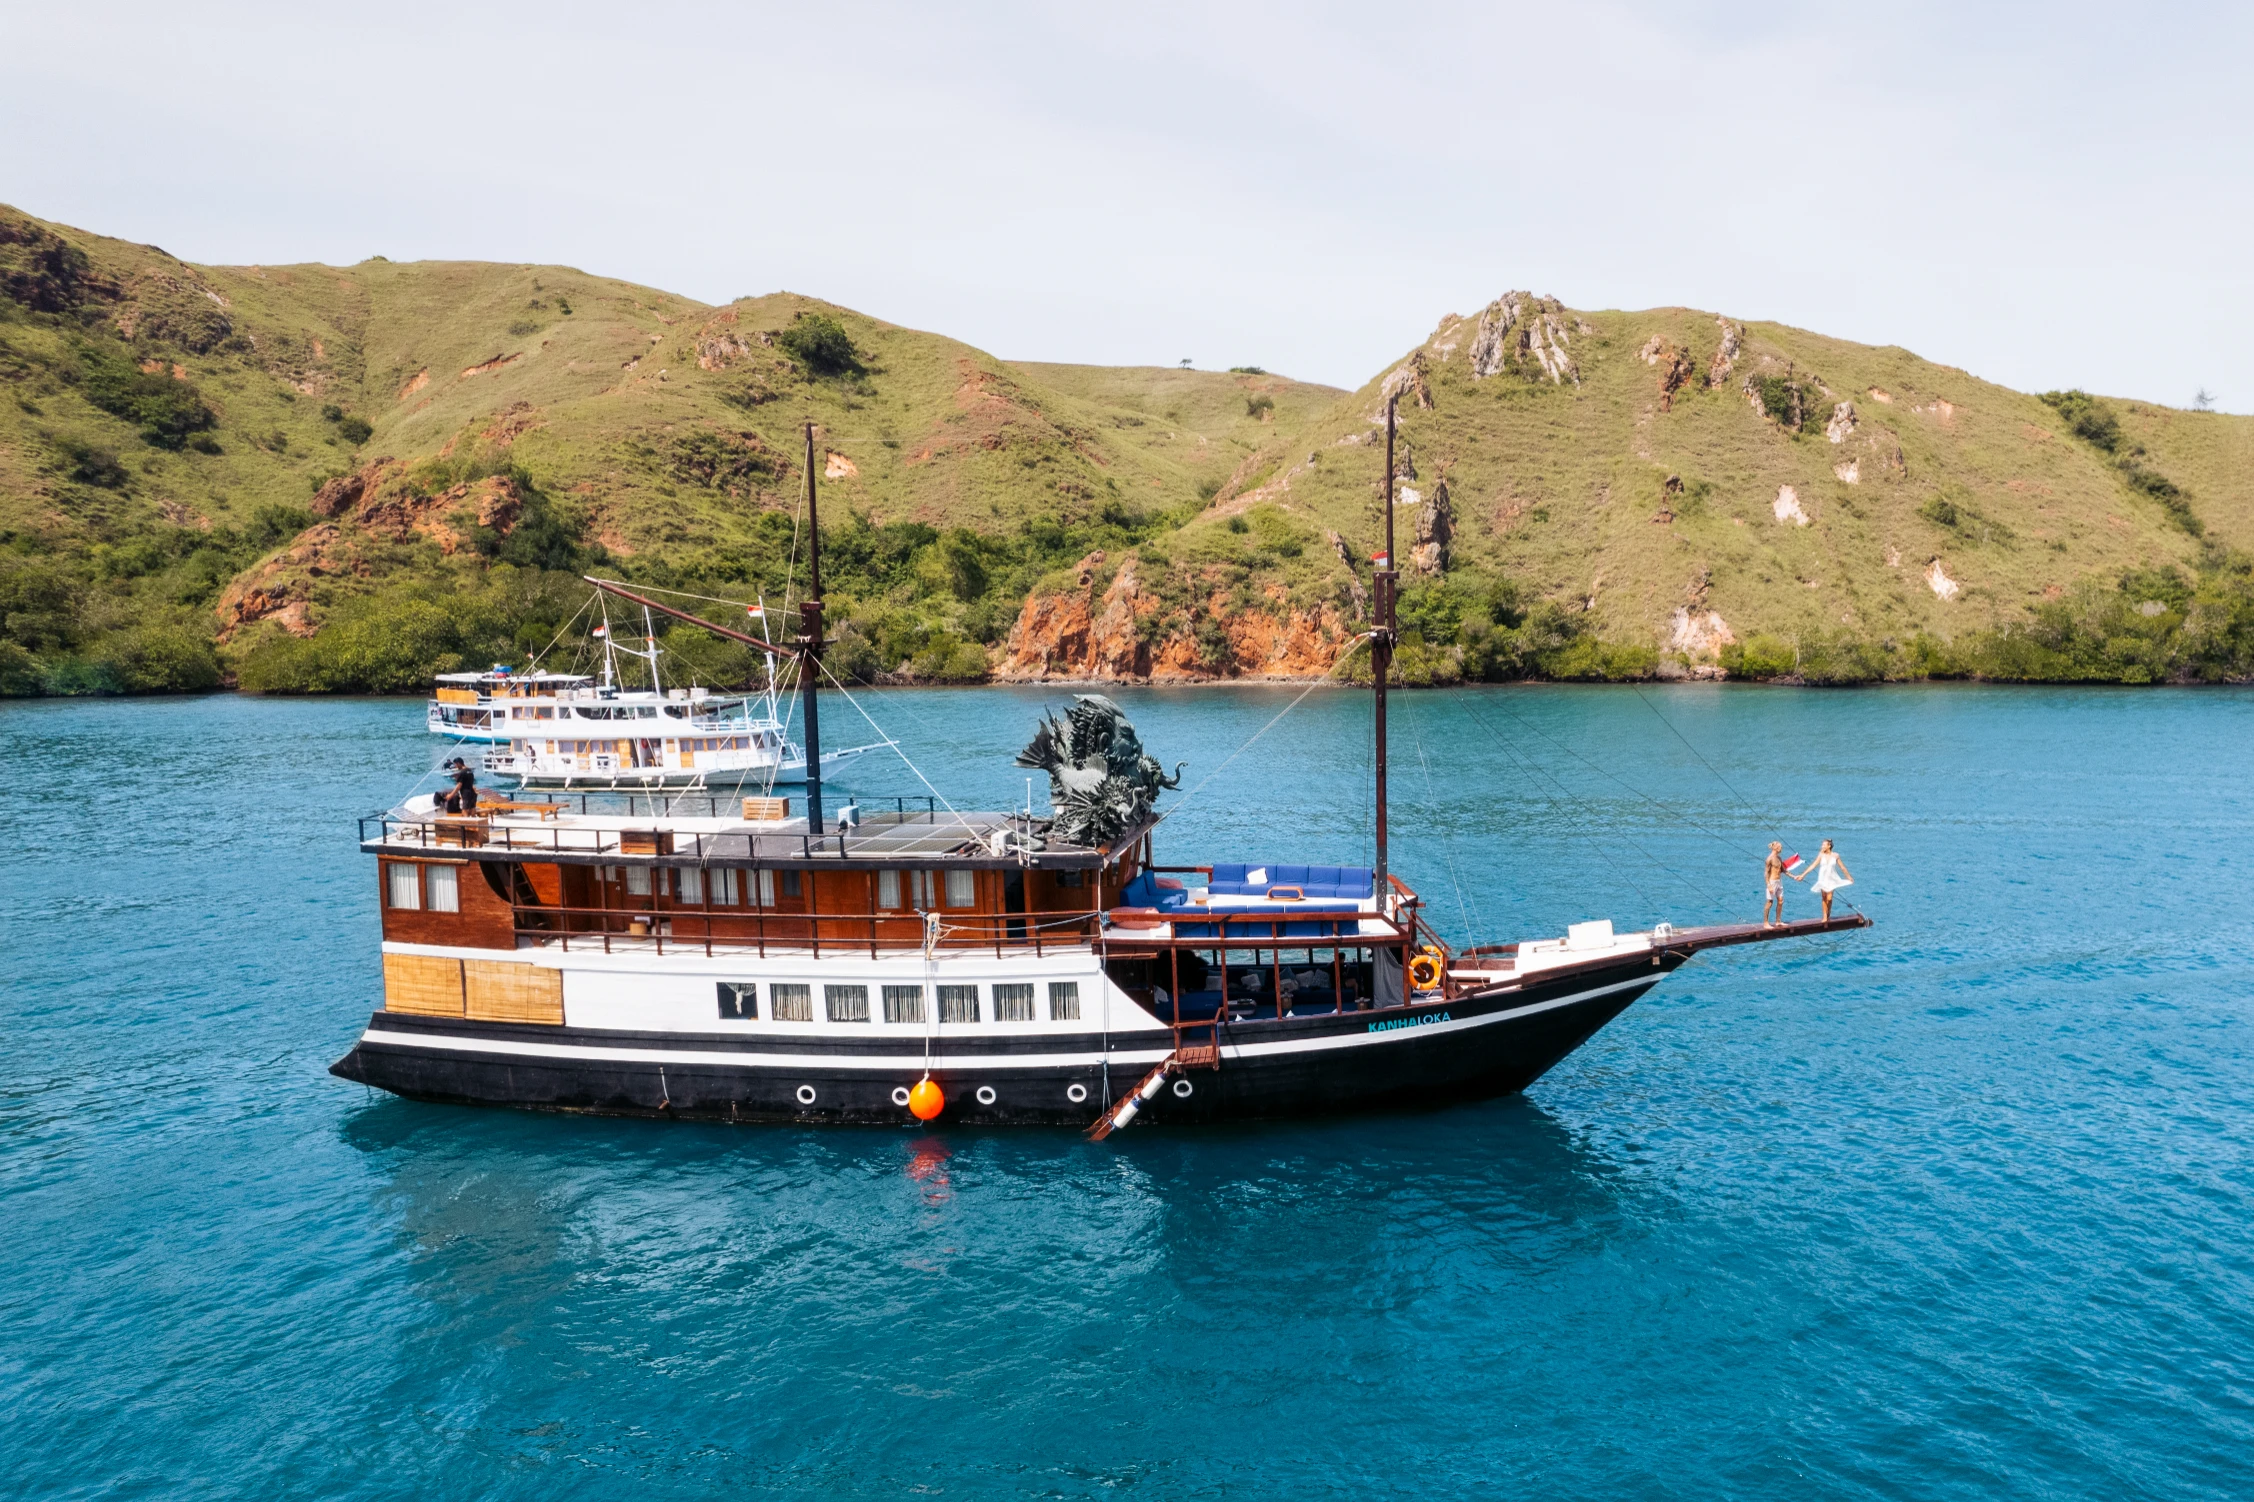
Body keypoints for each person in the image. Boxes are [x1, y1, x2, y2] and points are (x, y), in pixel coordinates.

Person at [1793, 838, 1854, 920]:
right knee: (1824, 897)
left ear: (1829, 846)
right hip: (1823, 879)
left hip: (1832, 879)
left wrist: (1849, 877)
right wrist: (1803, 875)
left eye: (1824, 845)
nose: (1822, 846)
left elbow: (1842, 867)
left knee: (1829, 898)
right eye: (1822, 845)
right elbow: (1813, 865)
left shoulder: (1836, 855)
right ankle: (1825, 916)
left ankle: (1828, 912)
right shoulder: (1821, 855)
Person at [1763, 842, 1788, 928]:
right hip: (1772, 881)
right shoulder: (1769, 859)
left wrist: (1794, 876)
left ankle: (1778, 921)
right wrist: (1768, 885)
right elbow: (1766, 873)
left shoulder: (1779, 858)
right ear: (1775, 848)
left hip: (1779, 881)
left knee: (1781, 901)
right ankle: (1766, 923)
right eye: (1780, 847)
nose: (1781, 849)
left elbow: (1783, 870)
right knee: (1770, 902)